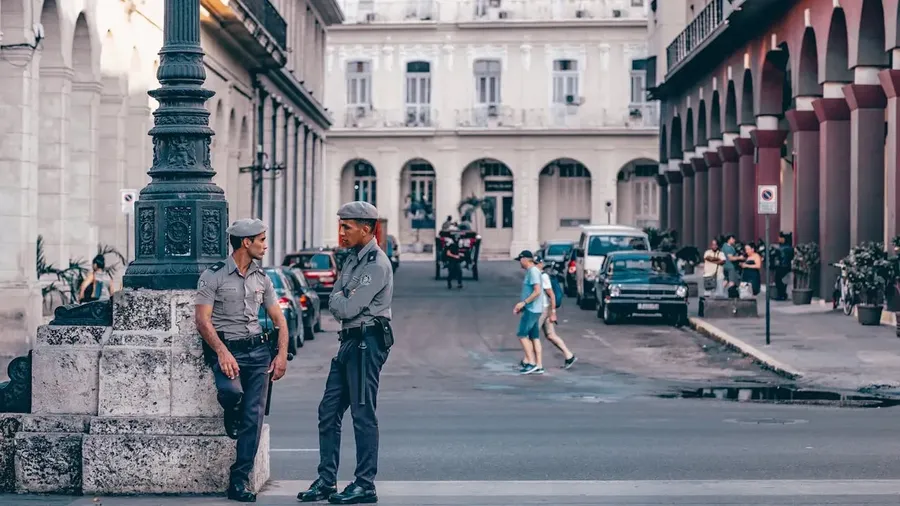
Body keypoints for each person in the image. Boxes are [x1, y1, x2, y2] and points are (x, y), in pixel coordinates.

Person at [298, 201, 394, 505]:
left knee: (363, 414)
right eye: (341, 226)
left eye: (347, 227)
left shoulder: (376, 264)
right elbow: (337, 300)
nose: (342, 232)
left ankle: (365, 484)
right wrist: (341, 299)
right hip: (349, 342)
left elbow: (347, 306)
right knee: (327, 411)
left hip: (367, 342)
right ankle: (327, 480)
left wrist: (341, 299)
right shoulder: (353, 259)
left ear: (365, 228)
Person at [195, 218, 289, 503]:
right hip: (229, 350)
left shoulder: (263, 278)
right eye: (262, 240)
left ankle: (239, 480)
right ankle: (231, 410)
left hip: (259, 353)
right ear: (246, 242)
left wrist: (281, 354)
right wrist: (222, 352)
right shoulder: (213, 276)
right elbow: (202, 320)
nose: (265, 245)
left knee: (253, 418)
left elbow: (279, 319)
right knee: (231, 392)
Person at [534, 257, 577, 369]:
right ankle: (569, 356)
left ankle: (533, 363)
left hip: (544, 309)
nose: (535, 265)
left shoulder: (543, 276)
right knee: (550, 335)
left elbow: (552, 295)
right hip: (545, 308)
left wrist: (553, 312)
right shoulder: (537, 275)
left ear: (541, 264)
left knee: (532, 335)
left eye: (536, 263)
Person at [514, 250, 545, 375]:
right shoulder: (532, 271)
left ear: (525, 259)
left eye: (520, 260)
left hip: (532, 309)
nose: (520, 263)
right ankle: (539, 365)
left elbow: (537, 291)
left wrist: (524, 303)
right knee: (534, 337)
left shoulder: (533, 272)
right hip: (534, 308)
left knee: (521, 334)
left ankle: (531, 363)